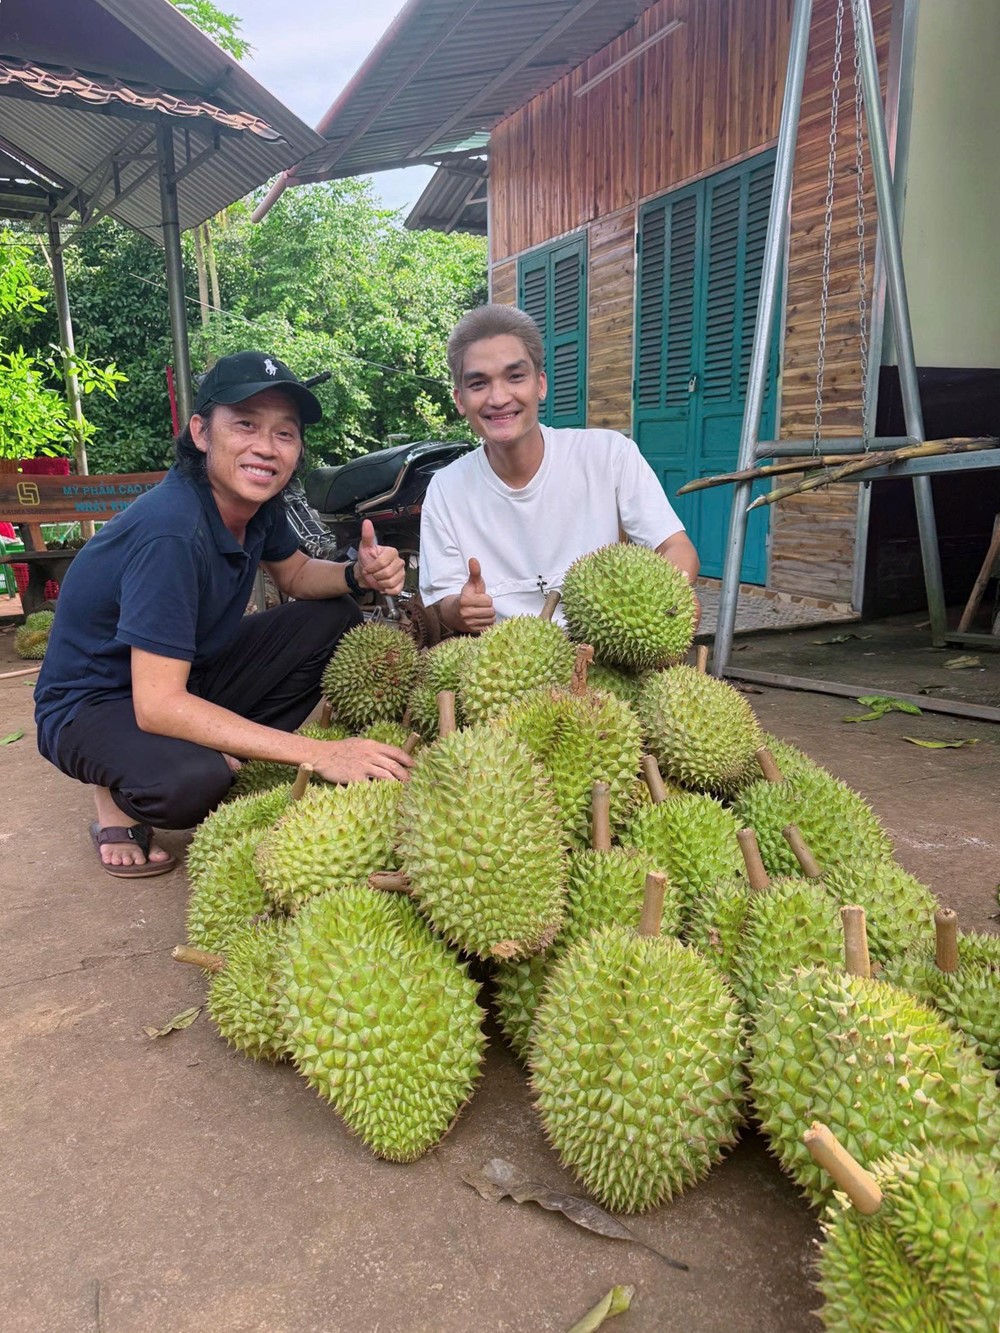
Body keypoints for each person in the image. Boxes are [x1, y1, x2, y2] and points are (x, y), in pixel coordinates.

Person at [34, 351, 412, 879]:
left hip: (184, 673)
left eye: (285, 433)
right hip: (93, 704)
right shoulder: (172, 531)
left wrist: (357, 575)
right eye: (245, 424)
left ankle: (228, 750)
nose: (266, 447)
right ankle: (116, 798)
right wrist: (318, 753)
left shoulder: (259, 506)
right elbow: (157, 705)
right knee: (192, 784)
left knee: (332, 617)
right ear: (201, 432)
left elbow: (297, 575)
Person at [419, 304, 700, 634]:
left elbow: (676, 547)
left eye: (515, 377)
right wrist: (460, 609)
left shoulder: (607, 454)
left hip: (604, 649)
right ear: (460, 400)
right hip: (504, 666)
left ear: (540, 384)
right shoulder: (446, 488)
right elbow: (445, 601)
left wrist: (664, 598)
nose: (498, 397)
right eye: (479, 384)